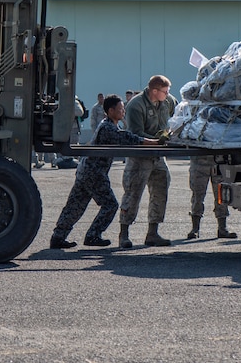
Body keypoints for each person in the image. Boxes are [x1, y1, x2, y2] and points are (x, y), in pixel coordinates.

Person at [50, 95, 159, 249]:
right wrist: (153, 142)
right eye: (120, 109)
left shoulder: (108, 124)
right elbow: (127, 138)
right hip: (94, 172)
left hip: (86, 170)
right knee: (110, 205)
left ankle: (58, 236)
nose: (123, 112)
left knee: (75, 205)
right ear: (111, 110)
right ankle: (93, 235)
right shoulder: (108, 128)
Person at [118, 75, 177, 248]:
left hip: (158, 155)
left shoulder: (168, 101)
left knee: (161, 190)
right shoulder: (136, 105)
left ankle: (153, 233)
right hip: (140, 156)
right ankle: (124, 234)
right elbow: (136, 134)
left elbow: (177, 115)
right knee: (132, 193)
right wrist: (159, 140)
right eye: (165, 91)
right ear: (154, 91)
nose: (168, 94)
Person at [187, 155, 237, 240]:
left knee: (221, 195)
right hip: (199, 161)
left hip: (219, 160)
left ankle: (222, 228)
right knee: (197, 196)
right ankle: (195, 228)